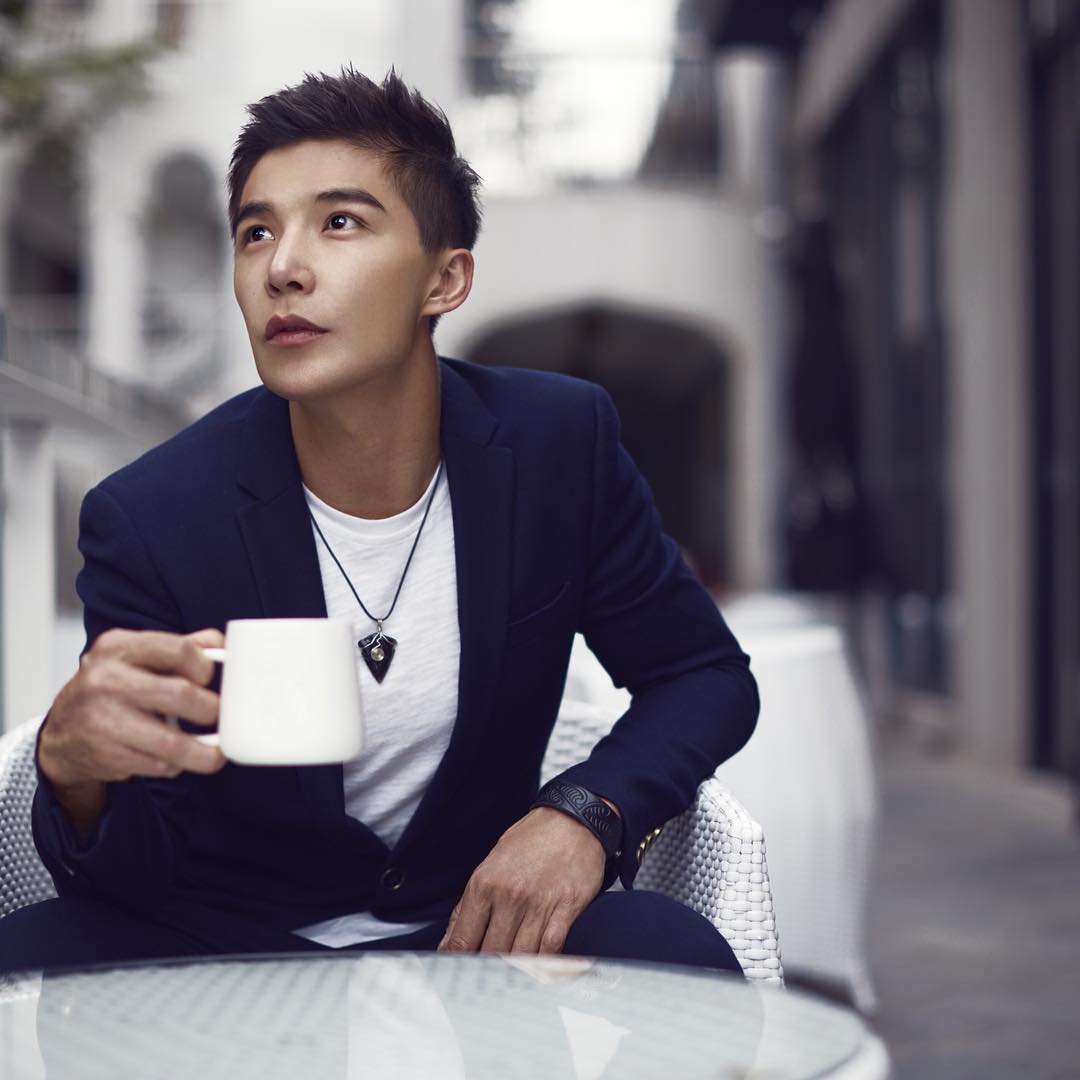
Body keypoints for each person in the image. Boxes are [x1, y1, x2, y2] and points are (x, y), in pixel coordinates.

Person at [0, 68, 758, 972]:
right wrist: (75, 776)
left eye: (340, 222)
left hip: (476, 919)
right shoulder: (151, 515)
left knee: (676, 953)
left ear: (446, 279)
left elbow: (702, 675)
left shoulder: (557, 444)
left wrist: (580, 815)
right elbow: (133, 869)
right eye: (255, 232)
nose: (283, 267)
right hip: (223, 936)